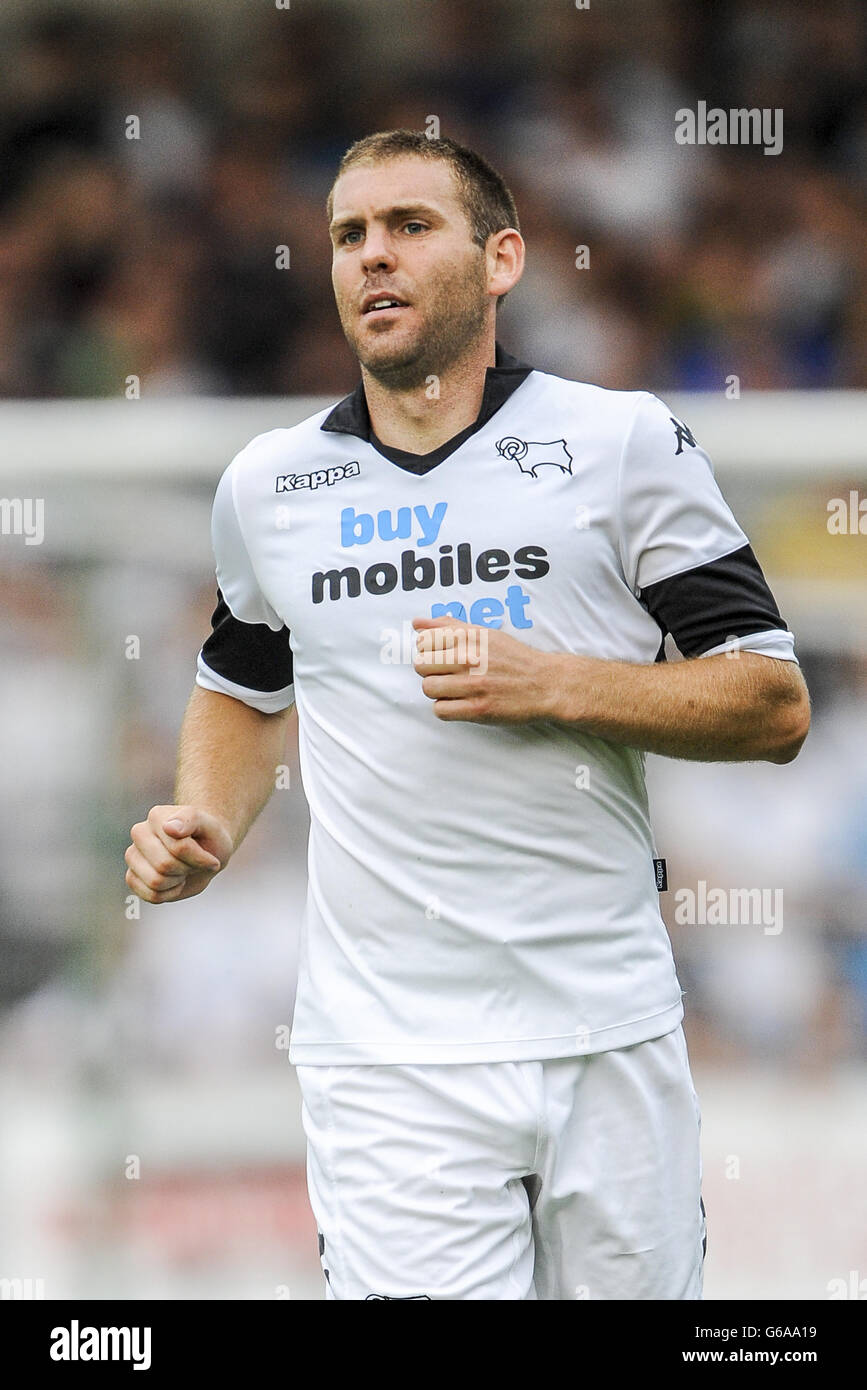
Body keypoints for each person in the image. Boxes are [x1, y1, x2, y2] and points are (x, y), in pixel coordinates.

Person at [125, 130, 811, 1301]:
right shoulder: (271, 487)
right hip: (389, 1061)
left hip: (608, 1031)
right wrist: (203, 823)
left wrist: (558, 681)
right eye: (349, 235)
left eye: (408, 226)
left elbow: (770, 697)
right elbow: (242, 688)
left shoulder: (621, 443)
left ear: (502, 259)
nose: (371, 258)